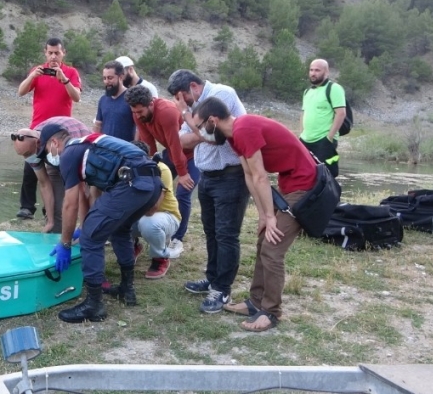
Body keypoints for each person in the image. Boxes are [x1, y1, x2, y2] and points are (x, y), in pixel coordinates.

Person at [191, 97, 317, 332]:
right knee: (263, 240)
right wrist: (262, 214)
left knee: (272, 246)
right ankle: (255, 302)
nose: (199, 133)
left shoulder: (244, 129)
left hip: (305, 186)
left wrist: (271, 217)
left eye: (199, 127)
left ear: (212, 120)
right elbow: (248, 175)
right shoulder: (233, 135)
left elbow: (260, 176)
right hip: (290, 185)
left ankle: (271, 312)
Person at [43, 124, 162, 323]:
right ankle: (127, 289)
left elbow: (69, 204)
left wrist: (65, 243)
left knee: (91, 239)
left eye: (47, 149)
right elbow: (93, 196)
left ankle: (94, 305)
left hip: (132, 182)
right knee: (119, 230)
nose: (50, 155)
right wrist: (84, 226)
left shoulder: (69, 153)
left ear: (54, 143)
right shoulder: (87, 147)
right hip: (152, 183)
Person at [166, 69, 249, 313]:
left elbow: (215, 137)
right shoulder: (193, 109)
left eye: (183, 97)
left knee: (226, 234)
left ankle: (222, 289)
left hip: (231, 175)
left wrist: (189, 120)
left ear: (194, 86)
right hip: (208, 176)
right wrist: (199, 129)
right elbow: (183, 141)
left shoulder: (222, 94)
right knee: (211, 231)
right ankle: (212, 279)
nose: (182, 103)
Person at [125, 84, 197, 260]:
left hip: (193, 154)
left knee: (183, 191)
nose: (137, 115)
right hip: (172, 154)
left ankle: (177, 238)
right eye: (134, 112)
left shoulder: (166, 112)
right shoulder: (138, 115)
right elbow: (149, 145)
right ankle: (145, 232)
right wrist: (146, 170)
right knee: (149, 188)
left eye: (140, 111)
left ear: (151, 103)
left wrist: (184, 173)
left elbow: (176, 143)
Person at [15, 37, 82, 220]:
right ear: (45, 53)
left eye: (57, 53)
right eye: (50, 52)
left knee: (57, 170)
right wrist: (32, 76)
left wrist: (65, 80)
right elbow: (21, 92)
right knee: (30, 168)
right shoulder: (37, 71)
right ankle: (27, 207)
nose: (53, 56)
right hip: (37, 128)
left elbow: (76, 97)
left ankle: (50, 210)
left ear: (63, 53)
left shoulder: (71, 72)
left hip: (61, 132)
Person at [11, 116, 91, 233]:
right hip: (53, 154)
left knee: (85, 196)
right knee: (56, 207)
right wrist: (50, 221)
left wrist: (82, 228)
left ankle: (89, 234)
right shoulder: (31, 151)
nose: (28, 158)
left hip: (81, 153)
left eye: (29, 153)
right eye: (24, 155)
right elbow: (44, 184)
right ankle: (56, 234)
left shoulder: (71, 144)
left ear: (38, 143)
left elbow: (81, 188)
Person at [129, 141, 181, 279]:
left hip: (164, 215)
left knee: (148, 222)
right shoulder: (125, 168)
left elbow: (153, 209)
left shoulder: (160, 169)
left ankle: (160, 258)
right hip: (141, 213)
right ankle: (132, 246)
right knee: (110, 219)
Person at [299, 59, 346, 178]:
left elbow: (341, 113)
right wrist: (301, 135)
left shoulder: (334, 88)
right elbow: (304, 114)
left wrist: (329, 138)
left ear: (326, 72)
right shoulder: (307, 91)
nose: (313, 73)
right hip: (305, 141)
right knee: (306, 176)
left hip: (324, 141)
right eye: (311, 70)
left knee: (325, 177)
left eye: (317, 70)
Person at [94, 60, 136, 142]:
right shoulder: (103, 99)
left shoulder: (131, 98)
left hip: (125, 150)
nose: (106, 81)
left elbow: (139, 127)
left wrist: (135, 147)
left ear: (120, 77)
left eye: (110, 78)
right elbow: (98, 125)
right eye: (104, 78)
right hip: (106, 149)